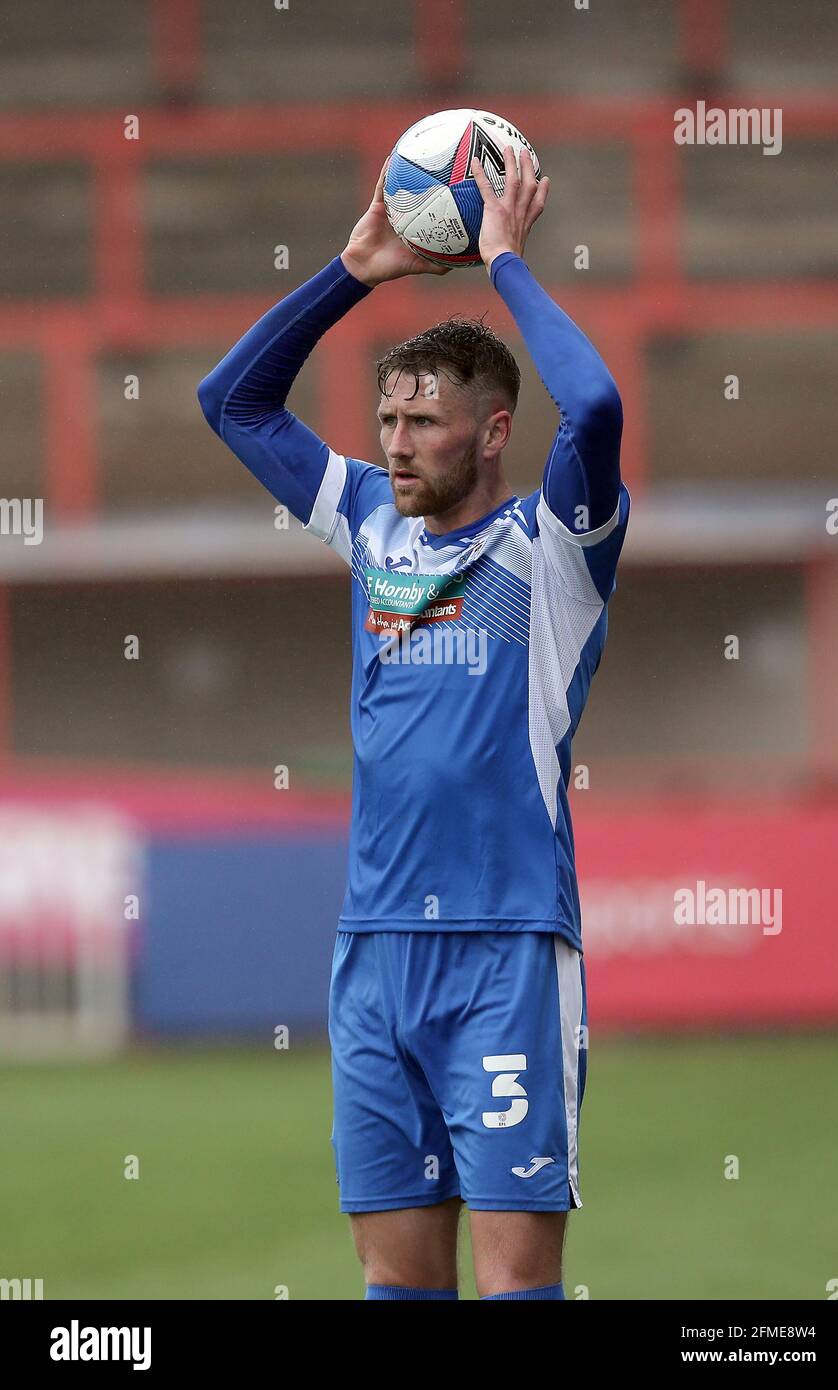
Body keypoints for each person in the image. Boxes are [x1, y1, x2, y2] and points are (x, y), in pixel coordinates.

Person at [198, 144, 629, 1300]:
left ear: (491, 435)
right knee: (395, 1283)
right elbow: (228, 400)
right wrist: (351, 271)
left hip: (505, 949)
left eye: (423, 421)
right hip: (375, 951)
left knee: (513, 1284)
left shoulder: (552, 553)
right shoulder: (372, 533)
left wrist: (499, 260)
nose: (391, 441)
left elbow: (590, 402)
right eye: (385, 417)